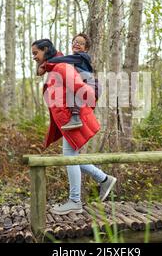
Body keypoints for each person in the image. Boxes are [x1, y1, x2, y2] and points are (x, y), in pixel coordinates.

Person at [32, 38, 116, 215]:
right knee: (72, 156)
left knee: (70, 157)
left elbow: (80, 88)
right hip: (69, 121)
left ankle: (75, 200)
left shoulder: (62, 67)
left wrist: (80, 111)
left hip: (74, 121)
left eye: (35, 53)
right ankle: (104, 179)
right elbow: (41, 72)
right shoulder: (57, 65)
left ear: (46, 50)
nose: (34, 57)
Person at [46, 33, 98, 130]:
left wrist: (49, 60)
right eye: (75, 42)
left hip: (89, 82)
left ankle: (75, 118)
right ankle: (75, 117)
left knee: (73, 89)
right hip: (85, 81)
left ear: (85, 49)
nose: (77, 44)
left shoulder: (82, 56)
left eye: (81, 43)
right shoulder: (75, 59)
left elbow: (64, 59)